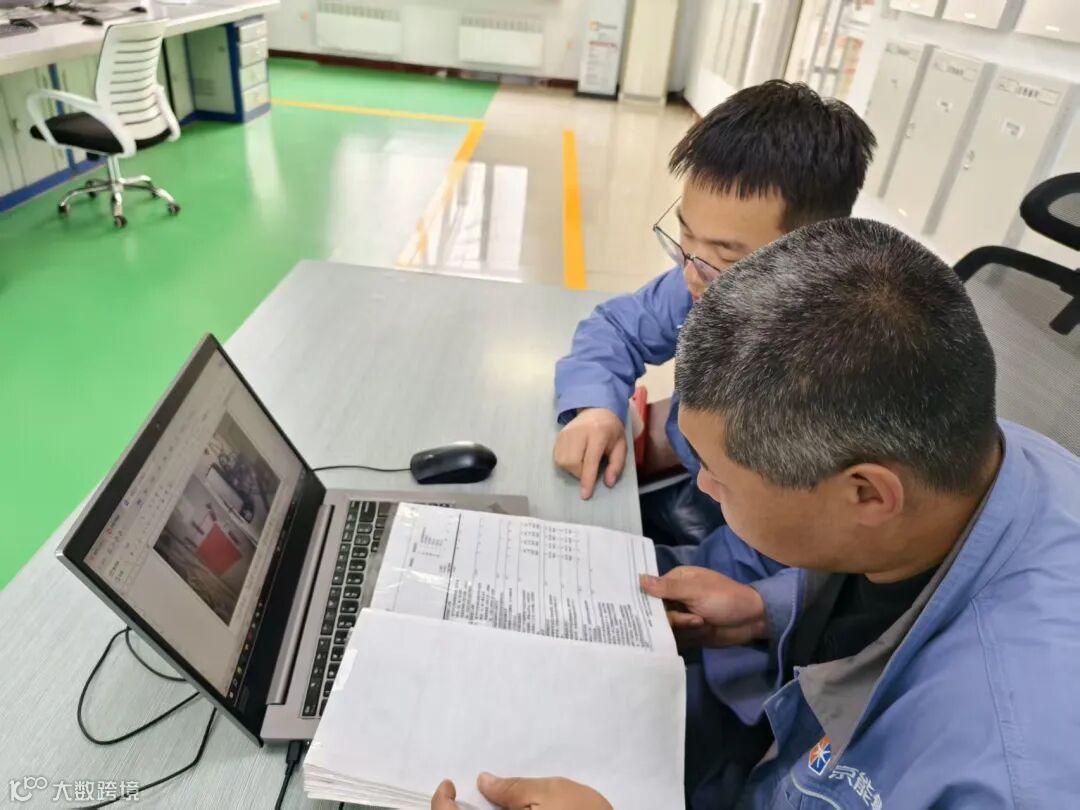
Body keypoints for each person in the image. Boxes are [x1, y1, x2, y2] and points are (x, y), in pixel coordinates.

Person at [433, 219, 1080, 808]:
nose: (701, 485)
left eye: (722, 475)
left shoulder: (1003, 775)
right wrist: (764, 609)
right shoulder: (970, 449)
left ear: (866, 494)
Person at [553, 80, 877, 548]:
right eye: (686, 237)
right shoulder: (706, 280)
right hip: (697, 487)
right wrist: (595, 408)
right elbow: (617, 327)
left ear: (810, 253)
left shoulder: (829, 378)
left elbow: (794, 552)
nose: (691, 274)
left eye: (726, 255)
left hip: (765, 542)